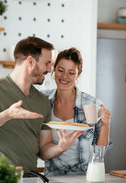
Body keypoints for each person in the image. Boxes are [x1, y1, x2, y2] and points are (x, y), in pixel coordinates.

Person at [0, 37, 84, 176]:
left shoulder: (42, 101)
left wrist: (60, 148)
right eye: (46, 63)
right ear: (30, 61)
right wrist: (6, 115)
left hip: (30, 181)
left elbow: (44, 149)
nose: (49, 69)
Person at [42, 47, 112, 176]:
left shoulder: (90, 103)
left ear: (78, 74)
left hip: (84, 175)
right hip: (52, 176)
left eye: (71, 72)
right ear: (54, 70)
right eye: (60, 70)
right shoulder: (43, 100)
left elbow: (99, 149)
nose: (64, 77)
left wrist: (106, 125)